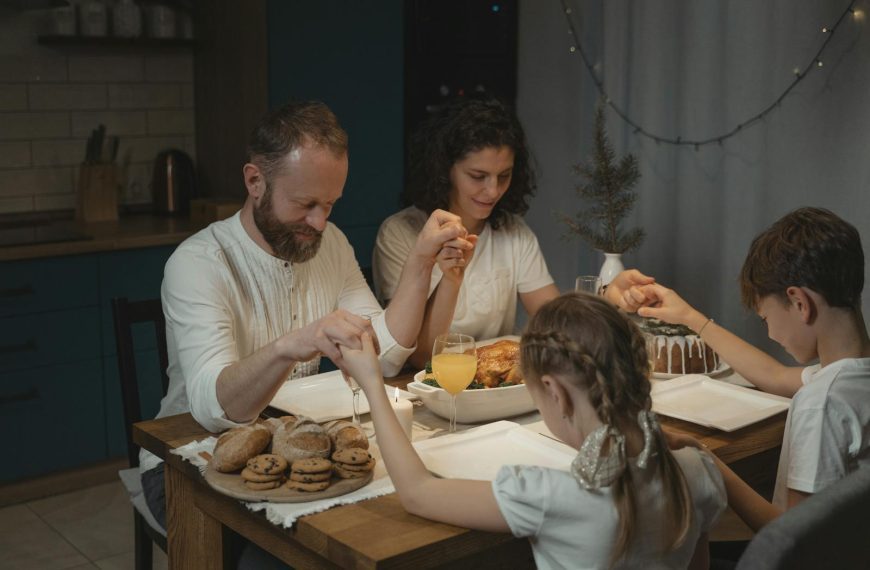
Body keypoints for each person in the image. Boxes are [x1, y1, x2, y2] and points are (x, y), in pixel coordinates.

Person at [139, 100, 471, 533]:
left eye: (330, 204)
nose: (319, 222)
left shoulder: (330, 242)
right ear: (255, 181)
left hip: (297, 450)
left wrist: (421, 264)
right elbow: (214, 409)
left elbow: (385, 356)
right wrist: (291, 345)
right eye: (305, 203)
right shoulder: (199, 262)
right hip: (188, 464)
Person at [340, 293, 727, 569]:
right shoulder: (697, 471)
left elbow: (417, 493)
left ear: (554, 392)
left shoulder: (549, 495)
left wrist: (374, 385)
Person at [372, 95, 654, 368]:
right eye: (478, 176)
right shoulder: (399, 233)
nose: (493, 191)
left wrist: (605, 297)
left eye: (504, 176)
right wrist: (450, 280)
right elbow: (421, 359)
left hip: (497, 379)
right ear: (444, 169)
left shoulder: (513, 231)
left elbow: (555, 322)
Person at [637, 207, 870, 533]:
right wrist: (690, 317)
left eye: (766, 319)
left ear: (800, 303)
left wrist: (706, 459)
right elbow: (773, 375)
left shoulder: (823, 403)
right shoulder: (849, 378)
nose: (771, 334)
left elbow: (792, 539)